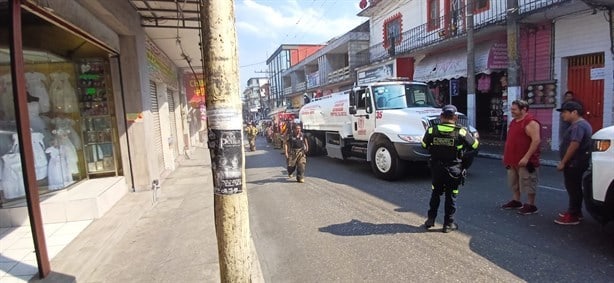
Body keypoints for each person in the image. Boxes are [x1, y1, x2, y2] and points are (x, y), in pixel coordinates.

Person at [422, 105, 479, 233]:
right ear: (455, 117)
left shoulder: (432, 130)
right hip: (454, 169)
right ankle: (448, 224)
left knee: (435, 193)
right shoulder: (461, 131)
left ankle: (430, 219)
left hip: (436, 168)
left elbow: (424, 145)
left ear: (441, 116)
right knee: (451, 196)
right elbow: (475, 145)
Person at [555, 101, 592, 225]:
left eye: (565, 112)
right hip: (577, 162)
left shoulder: (578, 126)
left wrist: (563, 162)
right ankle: (575, 212)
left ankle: (573, 214)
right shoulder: (579, 125)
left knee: (573, 188)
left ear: (574, 112)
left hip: (574, 163)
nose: (562, 115)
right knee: (574, 187)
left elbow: (574, 144)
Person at [501, 100, 541, 215]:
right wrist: (506, 156)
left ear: (523, 109)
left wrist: (526, 157)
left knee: (528, 182)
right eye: (512, 109)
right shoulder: (514, 122)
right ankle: (516, 201)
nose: (511, 111)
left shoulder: (531, 122)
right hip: (512, 160)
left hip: (525, 161)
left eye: (514, 109)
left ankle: (531, 205)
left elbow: (536, 140)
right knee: (514, 182)